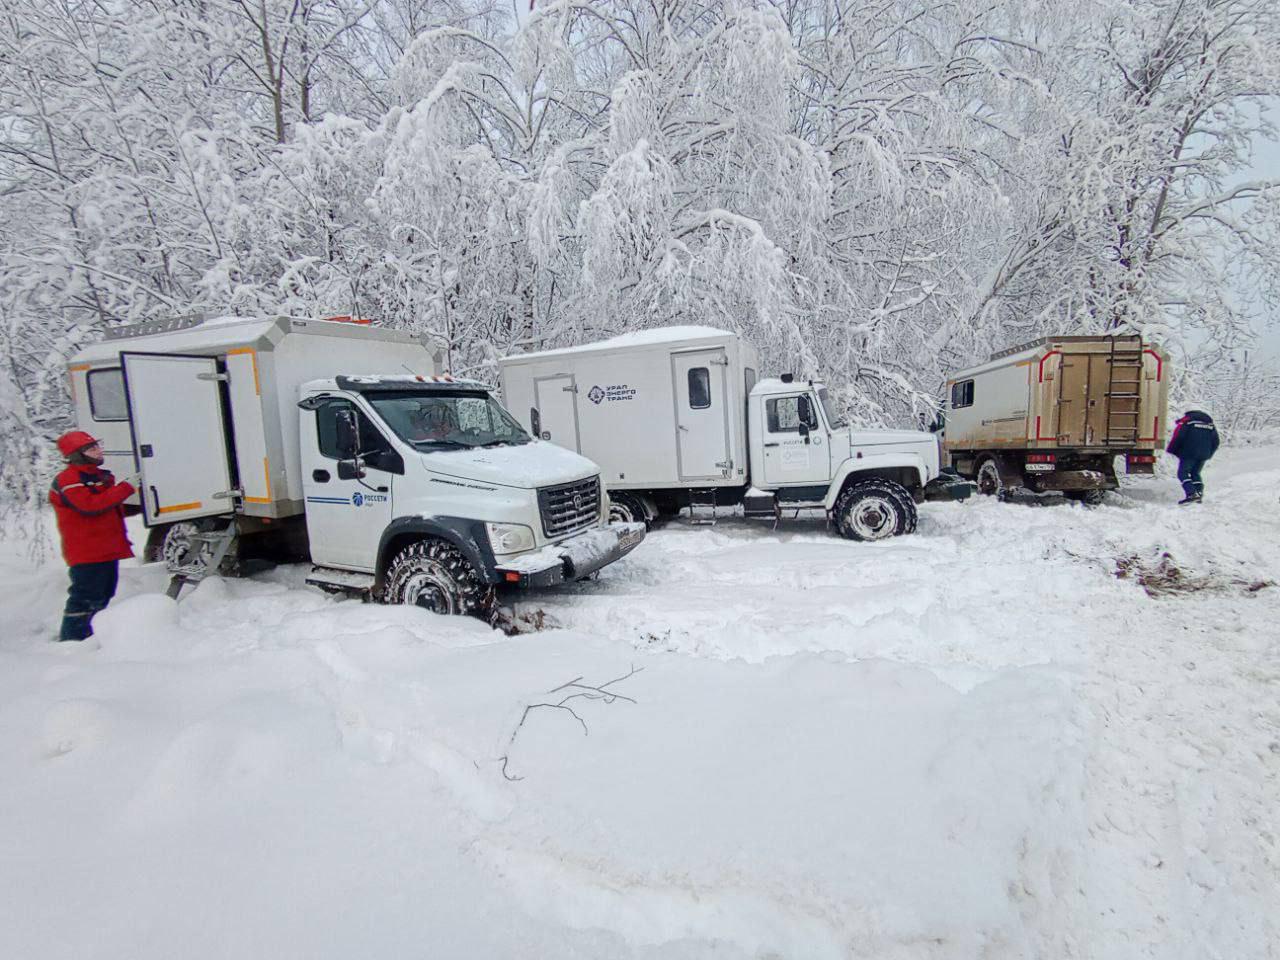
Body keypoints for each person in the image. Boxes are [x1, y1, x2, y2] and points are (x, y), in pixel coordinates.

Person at [48, 431, 138, 641]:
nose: (99, 451)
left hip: (105, 549)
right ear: (76, 455)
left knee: (104, 594)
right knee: (85, 597)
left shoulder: (95, 477)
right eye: (92, 449)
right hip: (87, 552)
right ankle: (73, 640)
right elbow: (90, 506)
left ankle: (91, 634)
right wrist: (126, 488)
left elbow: (108, 506)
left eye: (98, 446)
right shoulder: (68, 479)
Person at [1165, 409, 1220, 505]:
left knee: (1182, 473)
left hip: (1188, 453)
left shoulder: (1187, 421)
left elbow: (1179, 436)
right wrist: (1209, 453)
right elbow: (1216, 441)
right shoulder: (1210, 424)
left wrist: (1172, 450)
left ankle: (1192, 494)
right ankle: (1198, 493)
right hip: (1203, 454)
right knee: (1195, 473)